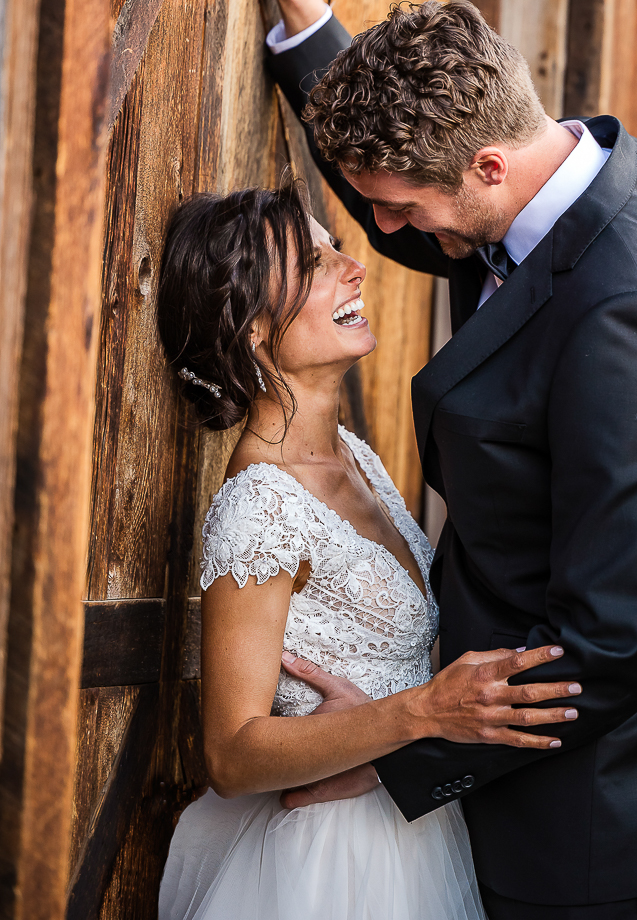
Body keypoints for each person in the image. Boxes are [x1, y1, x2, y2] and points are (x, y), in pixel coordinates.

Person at [232, 0, 637, 920]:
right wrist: (301, 11)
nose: (392, 239)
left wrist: (385, 763)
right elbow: (410, 191)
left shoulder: (629, 311)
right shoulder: (549, 183)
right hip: (523, 792)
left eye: (405, 212)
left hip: (600, 832)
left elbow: (609, 645)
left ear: (483, 166)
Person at [156, 183, 579, 920]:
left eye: (336, 248)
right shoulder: (260, 505)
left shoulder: (354, 457)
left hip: (408, 824)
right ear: (252, 326)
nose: (351, 266)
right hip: (332, 864)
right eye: (314, 262)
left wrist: (402, 744)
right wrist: (417, 715)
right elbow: (230, 756)